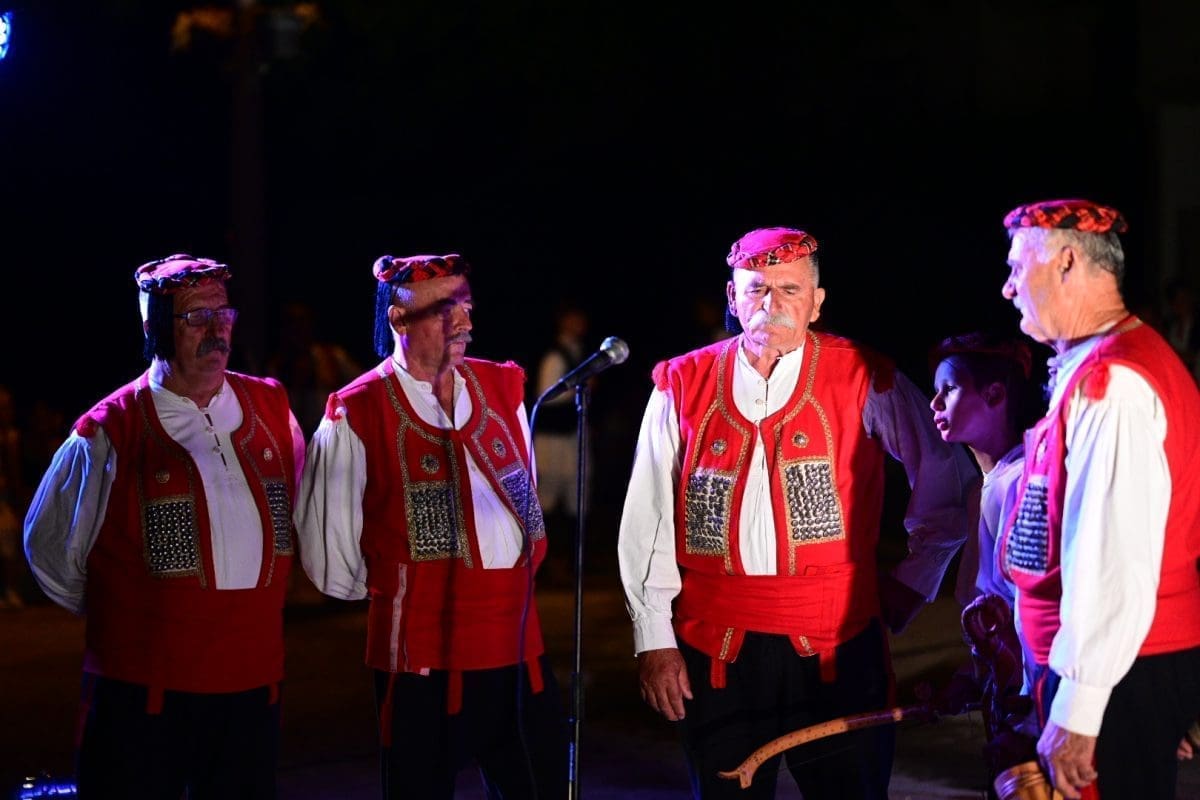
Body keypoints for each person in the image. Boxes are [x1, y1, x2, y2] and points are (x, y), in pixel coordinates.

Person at [617, 226, 977, 799]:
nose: (772, 303)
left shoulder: (864, 373)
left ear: (817, 301)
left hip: (840, 645)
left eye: (789, 289)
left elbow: (947, 478)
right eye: (756, 288)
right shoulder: (681, 383)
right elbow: (649, 516)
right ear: (733, 297)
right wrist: (653, 638)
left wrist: (916, 577)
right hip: (716, 646)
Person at [23, 254, 305, 798]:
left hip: (252, 690)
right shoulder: (111, 429)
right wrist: (131, 612)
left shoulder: (273, 408)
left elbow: (295, 510)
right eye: (197, 317)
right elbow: (52, 551)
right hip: (142, 696)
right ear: (155, 327)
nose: (217, 330)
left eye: (224, 314)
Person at [294, 252, 568, 799]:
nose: (464, 322)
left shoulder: (503, 387)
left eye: (466, 305)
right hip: (421, 665)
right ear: (398, 318)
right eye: (445, 310)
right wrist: (402, 593)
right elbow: (332, 562)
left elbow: (527, 510)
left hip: (519, 651)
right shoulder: (358, 410)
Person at [998, 198, 1200, 800]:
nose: (1009, 288)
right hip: (1123, 669)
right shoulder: (1103, 363)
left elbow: (1112, 557)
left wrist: (1081, 707)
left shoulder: (1115, 383)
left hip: (1119, 672)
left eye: (1017, 268)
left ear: (1066, 261)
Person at [928, 331, 1046, 790]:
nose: (935, 403)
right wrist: (969, 676)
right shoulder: (989, 486)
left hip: (1035, 712)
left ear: (995, 394)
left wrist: (1032, 719)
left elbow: (1035, 611)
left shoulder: (1019, 483)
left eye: (950, 389)